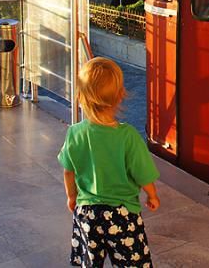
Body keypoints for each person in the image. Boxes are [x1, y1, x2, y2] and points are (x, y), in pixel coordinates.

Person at [58, 57, 160, 268]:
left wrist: (72, 196)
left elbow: (68, 171)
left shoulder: (75, 133)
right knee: (133, 263)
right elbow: (143, 174)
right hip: (122, 215)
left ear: (80, 96)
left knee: (88, 263)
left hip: (87, 214)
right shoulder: (128, 136)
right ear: (121, 95)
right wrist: (152, 195)